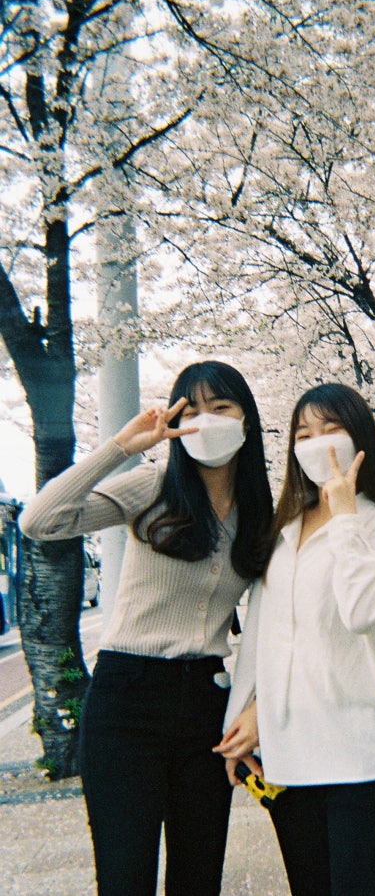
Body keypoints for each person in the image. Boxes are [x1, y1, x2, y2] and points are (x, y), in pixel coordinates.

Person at [20, 360, 273, 896]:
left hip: (208, 702)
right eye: (192, 410)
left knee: (198, 878)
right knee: (125, 877)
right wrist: (120, 446)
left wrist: (256, 704)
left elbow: (277, 621)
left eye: (221, 407)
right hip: (127, 700)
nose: (206, 420)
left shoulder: (259, 514)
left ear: (247, 420)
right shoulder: (152, 486)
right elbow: (40, 521)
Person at [216, 383, 375, 896]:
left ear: (360, 440)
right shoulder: (283, 530)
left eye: (331, 429)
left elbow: (364, 613)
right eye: (304, 434)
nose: (317, 443)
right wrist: (245, 716)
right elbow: (266, 635)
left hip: (368, 756)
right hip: (292, 760)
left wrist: (345, 515)